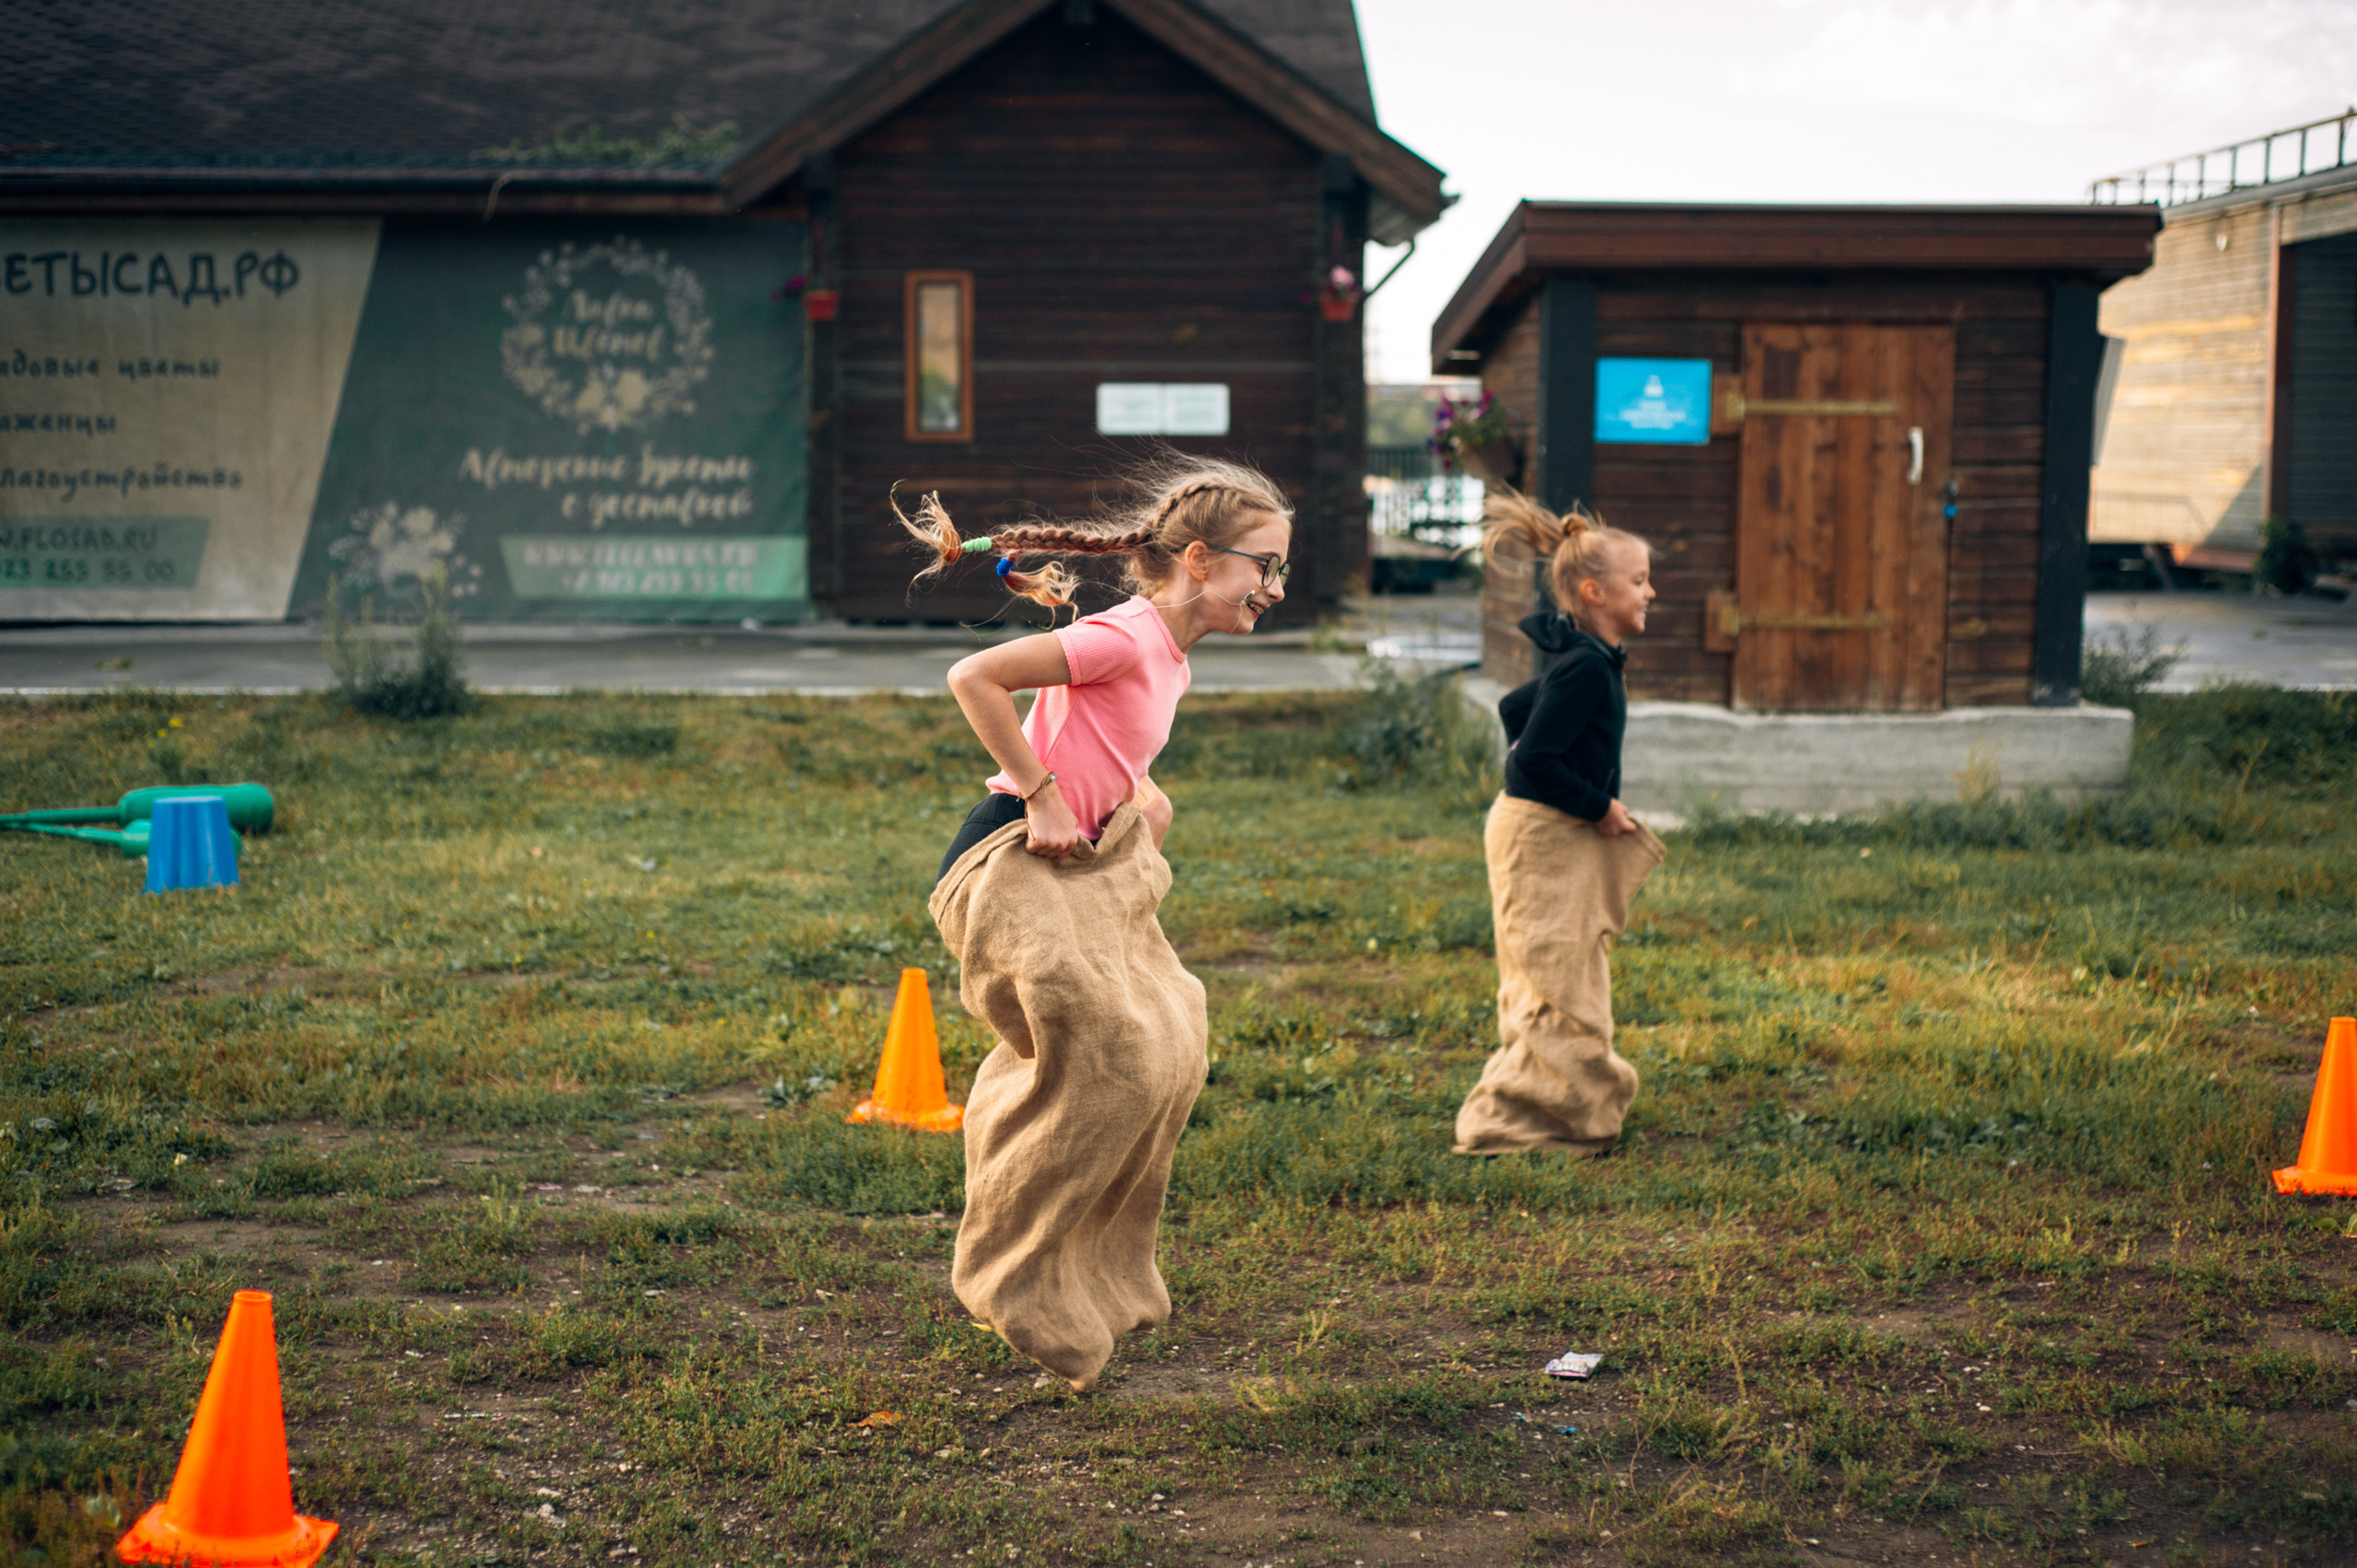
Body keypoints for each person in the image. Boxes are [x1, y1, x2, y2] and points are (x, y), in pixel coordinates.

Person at [902, 458, 1291, 1390]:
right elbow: (975, 676)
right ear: (1200, 560)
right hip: (1006, 859)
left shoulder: (1171, 657)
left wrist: (1142, 797)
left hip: (1076, 857)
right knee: (1106, 1040)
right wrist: (1038, 793)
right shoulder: (1124, 634)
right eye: (1263, 568)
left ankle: (1103, 1270)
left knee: (1169, 1039)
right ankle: (1015, 1272)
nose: (1273, 589)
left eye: (1281, 572)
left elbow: (1103, 740)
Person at [1454, 490, 1667, 1156]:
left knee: (1565, 972)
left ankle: (1573, 1106)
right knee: (1552, 978)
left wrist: (1588, 792)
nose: (1651, 592)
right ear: (1593, 591)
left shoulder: (1584, 660)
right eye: (1638, 581)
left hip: (1542, 830)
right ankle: (1516, 1116)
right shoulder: (1584, 670)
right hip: (1537, 836)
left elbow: (1517, 707)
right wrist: (1597, 804)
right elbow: (1532, 763)